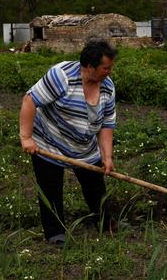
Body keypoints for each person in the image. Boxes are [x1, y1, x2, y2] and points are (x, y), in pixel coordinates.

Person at [19, 39, 118, 245]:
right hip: (49, 141)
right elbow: (30, 100)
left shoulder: (107, 87)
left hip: (84, 146)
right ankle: (55, 232)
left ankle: (104, 222)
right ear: (90, 67)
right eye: (105, 67)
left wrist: (107, 156)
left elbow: (107, 125)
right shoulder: (61, 76)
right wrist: (26, 137)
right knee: (50, 186)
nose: (109, 71)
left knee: (95, 186)